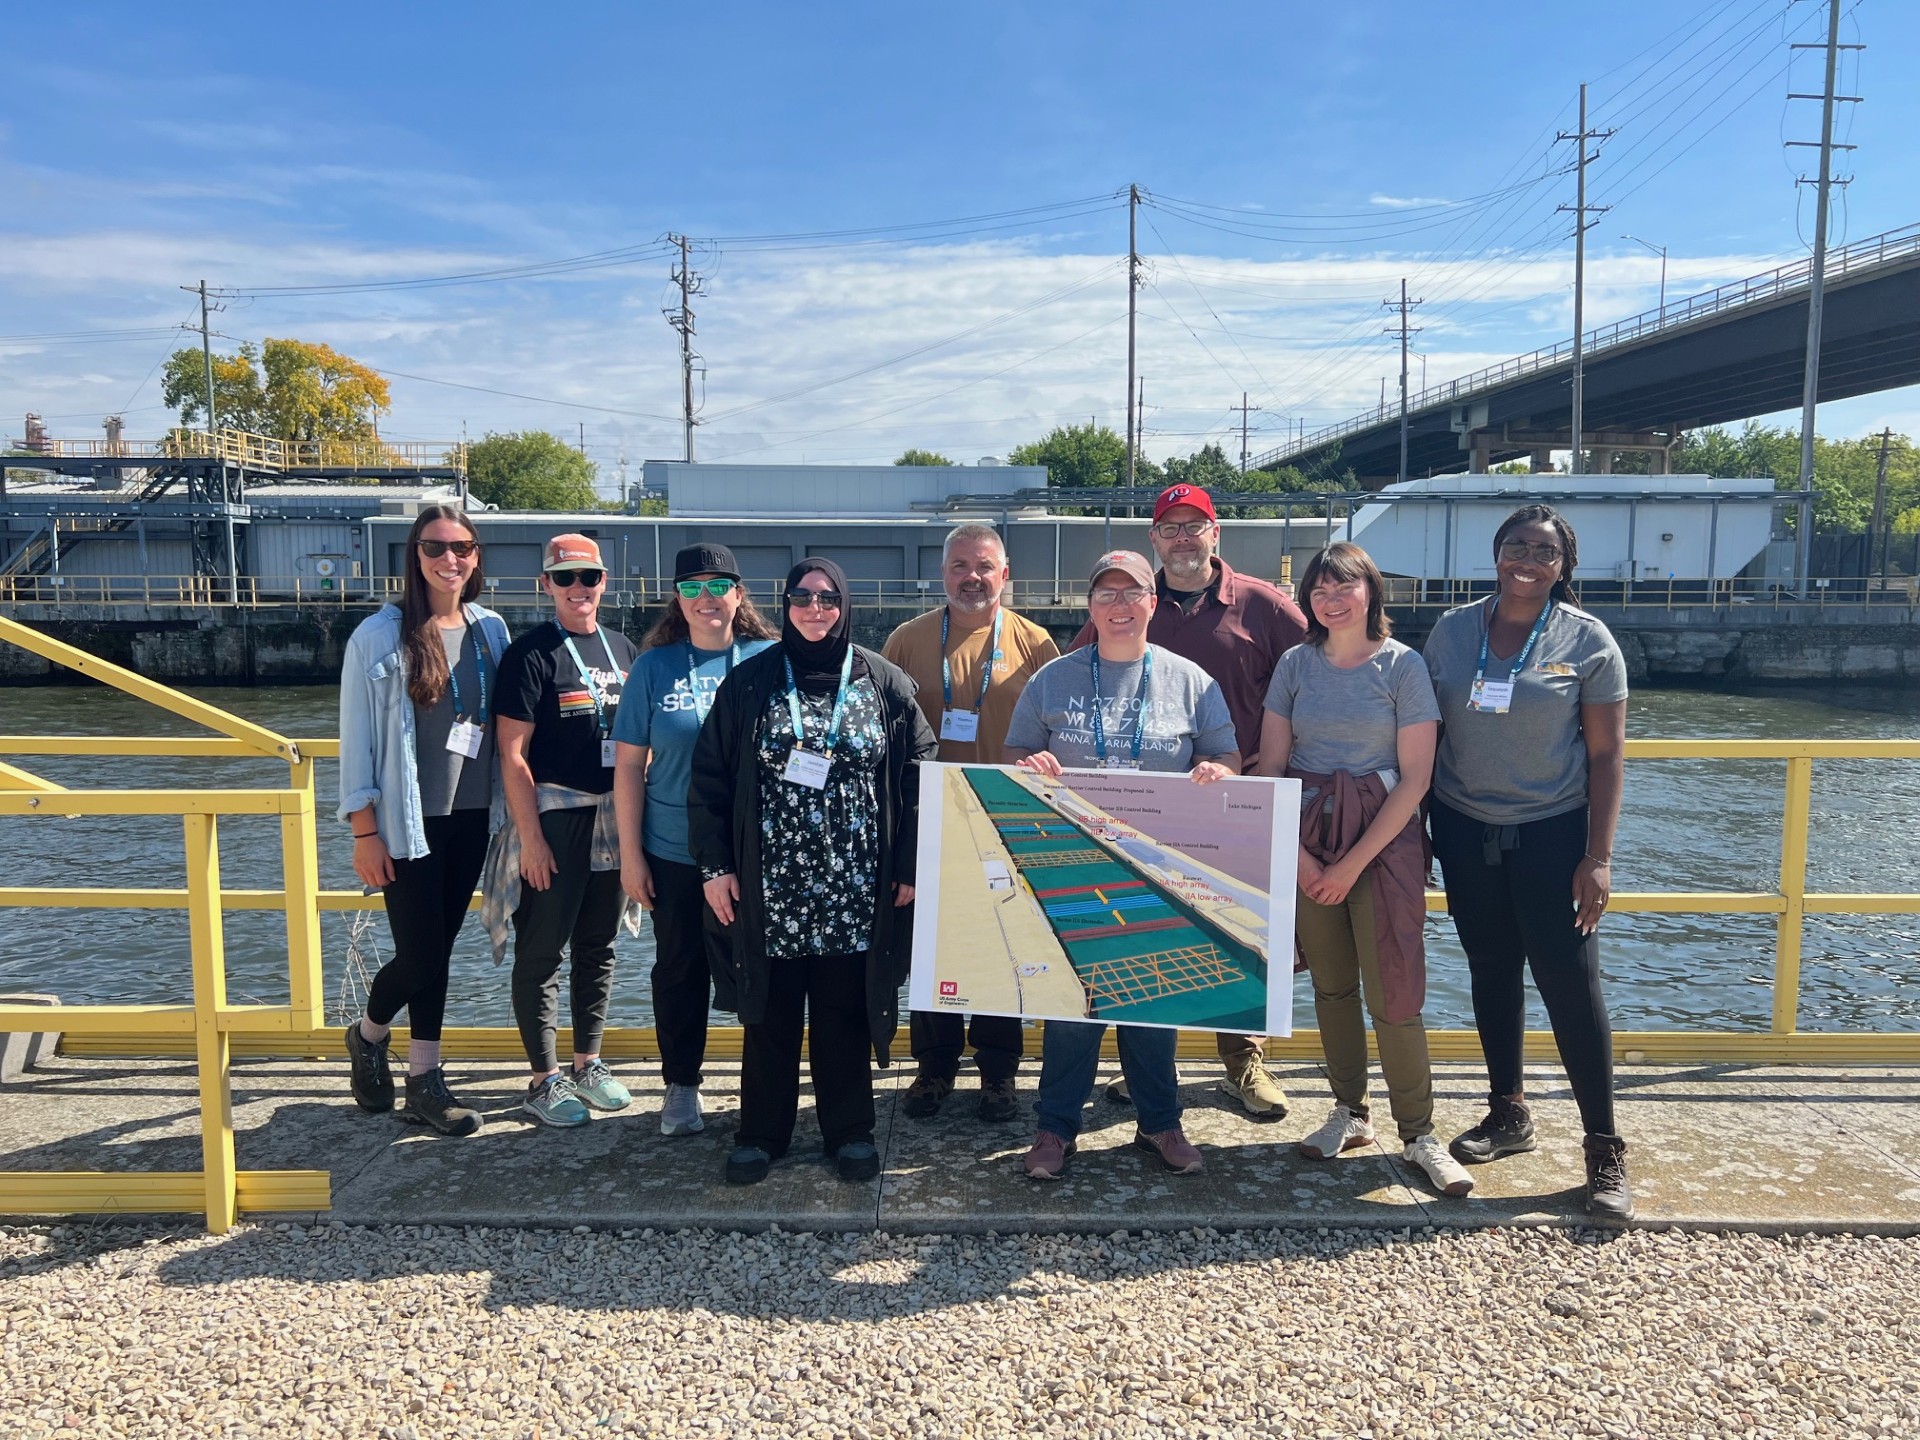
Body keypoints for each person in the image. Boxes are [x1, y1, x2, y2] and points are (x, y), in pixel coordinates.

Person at [687, 558, 939, 1185]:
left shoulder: (884, 683)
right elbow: (709, 780)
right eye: (801, 597)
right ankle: (761, 1133)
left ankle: (849, 1130)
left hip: (856, 886)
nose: (815, 608)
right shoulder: (750, 682)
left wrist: (909, 863)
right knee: (768, 1010)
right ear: (786, 604)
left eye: (827, 598)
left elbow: (918, 775)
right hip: (770, 883)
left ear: (844, 605)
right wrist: (716, 867)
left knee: (843, 1012)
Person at [1422, 504, 1633, 1219]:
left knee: (1571, 982)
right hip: (1463, 826)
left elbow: (1606, 756)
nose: (1528, 560)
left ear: (1564, 565)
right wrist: (1420, 830)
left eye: (1544, 551)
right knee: (1490, 969)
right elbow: (1423, 739)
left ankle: (1603, 1147)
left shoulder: (1589, 640)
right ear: (1496, 553)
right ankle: (1507, 1112)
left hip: (1552, 831)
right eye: (1517, 545)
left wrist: (1597, 857)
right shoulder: (1452, 633)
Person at [1072, 483, 1308, 1119]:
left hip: (1236, 799)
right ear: (1154, 539)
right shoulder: (1127, 603)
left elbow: (1315, 675)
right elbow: (1077, 679)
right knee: (1150, 934)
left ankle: (1243, 1062)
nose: (1181, 538)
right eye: (1169, 528)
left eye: (1193, 526)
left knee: (1241, 937)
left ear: (1215, 533)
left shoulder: (1264, 606)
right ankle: (1150, 1071)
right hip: (1141, 807)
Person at [1005, 550, 1240, 1180]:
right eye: (1105, 594)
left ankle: (1160, 1123)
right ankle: (1055, 1129)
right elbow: (1017, 751)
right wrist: (1030, 765)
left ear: (1152, 603)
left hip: (1163, 867)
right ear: (1090, 606)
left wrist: (1218, 772)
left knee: (1154, 1001)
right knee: (1072, 1003)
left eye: (1131, 592)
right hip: (1072, 863)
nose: (1118, 605)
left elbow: (1226, 757)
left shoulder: (1192, 680)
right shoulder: (1051, 679)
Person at [1253, 542, 1472, 1198]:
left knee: (1395, 993)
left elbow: (1415, 780)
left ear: (1371, 592)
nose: (1331, 598)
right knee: (1331, 986)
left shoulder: (1402, 667)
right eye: (1320, 589)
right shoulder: (1295, 664)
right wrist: (1301, 862)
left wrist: (1349, 865)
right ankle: (1350, 1112)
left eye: (1344, 585)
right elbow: (1271, 766)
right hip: (1308, 832)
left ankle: (1420, 1132)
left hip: (1384, 839)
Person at [882, 522, 1061, 1122]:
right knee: (934, 948)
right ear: (943, 574)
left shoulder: (1036, 644)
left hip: (1005, 822)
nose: (972, 578)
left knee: (1004, 949)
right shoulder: (906, 641)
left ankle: (999, 1073)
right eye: (960, 566)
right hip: (929, 823)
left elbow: (1056, 735)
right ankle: (933, 1068)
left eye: (984, 566)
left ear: (1005, 574)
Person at [337, 503, 506, 1137]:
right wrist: (364, 831)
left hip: (470, 817)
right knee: (420, 953)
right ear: (415, 555)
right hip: (406, 822)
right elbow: (355, 741)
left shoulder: (491, 630)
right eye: (435, 547)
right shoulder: (378, 637)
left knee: (438, 952)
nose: (449, 559)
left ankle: (422, 1077)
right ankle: (369, 1034)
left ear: (476, 555)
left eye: (461, 547)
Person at [613, 544, 778, 1138]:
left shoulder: (768, 659)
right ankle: (681, 1086)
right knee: (679, 970)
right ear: (676, 599)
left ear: (739, 593)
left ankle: (767, 1088)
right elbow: (629, 766)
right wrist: (631, 856)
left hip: (754, 853)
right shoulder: (655, 668)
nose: (706, 598)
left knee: (760, 972)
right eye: (691, 587)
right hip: (674, 849)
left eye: (718, 585)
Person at [486, 534, 642, 1128]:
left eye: (591, 577)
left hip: (614, 814)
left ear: (605, 582)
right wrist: (531, 838)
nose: (580, 588)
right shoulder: (531, 654)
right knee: (543, 948)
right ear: (545, 585)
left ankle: (588, 1063)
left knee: (599, 946)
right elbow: (512, 754)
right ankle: (543, 1076)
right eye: (567, 578)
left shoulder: (623, 647)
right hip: (556, 815)